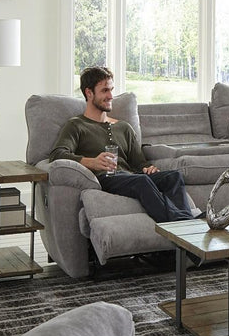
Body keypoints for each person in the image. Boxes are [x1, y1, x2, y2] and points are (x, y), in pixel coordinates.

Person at [49, 66, 196, 223]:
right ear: (89, 93)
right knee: (142, 181)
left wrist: (148, 168)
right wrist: (92, 162)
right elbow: (57, 154)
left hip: (131, 177)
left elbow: (139, 163)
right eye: (105, 90)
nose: (111, 96)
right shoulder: (76, 125)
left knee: (173, 177)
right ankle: (178, 225)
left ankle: (184, 223)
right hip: (105, 178)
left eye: (111, 90)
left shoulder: (124, 127)